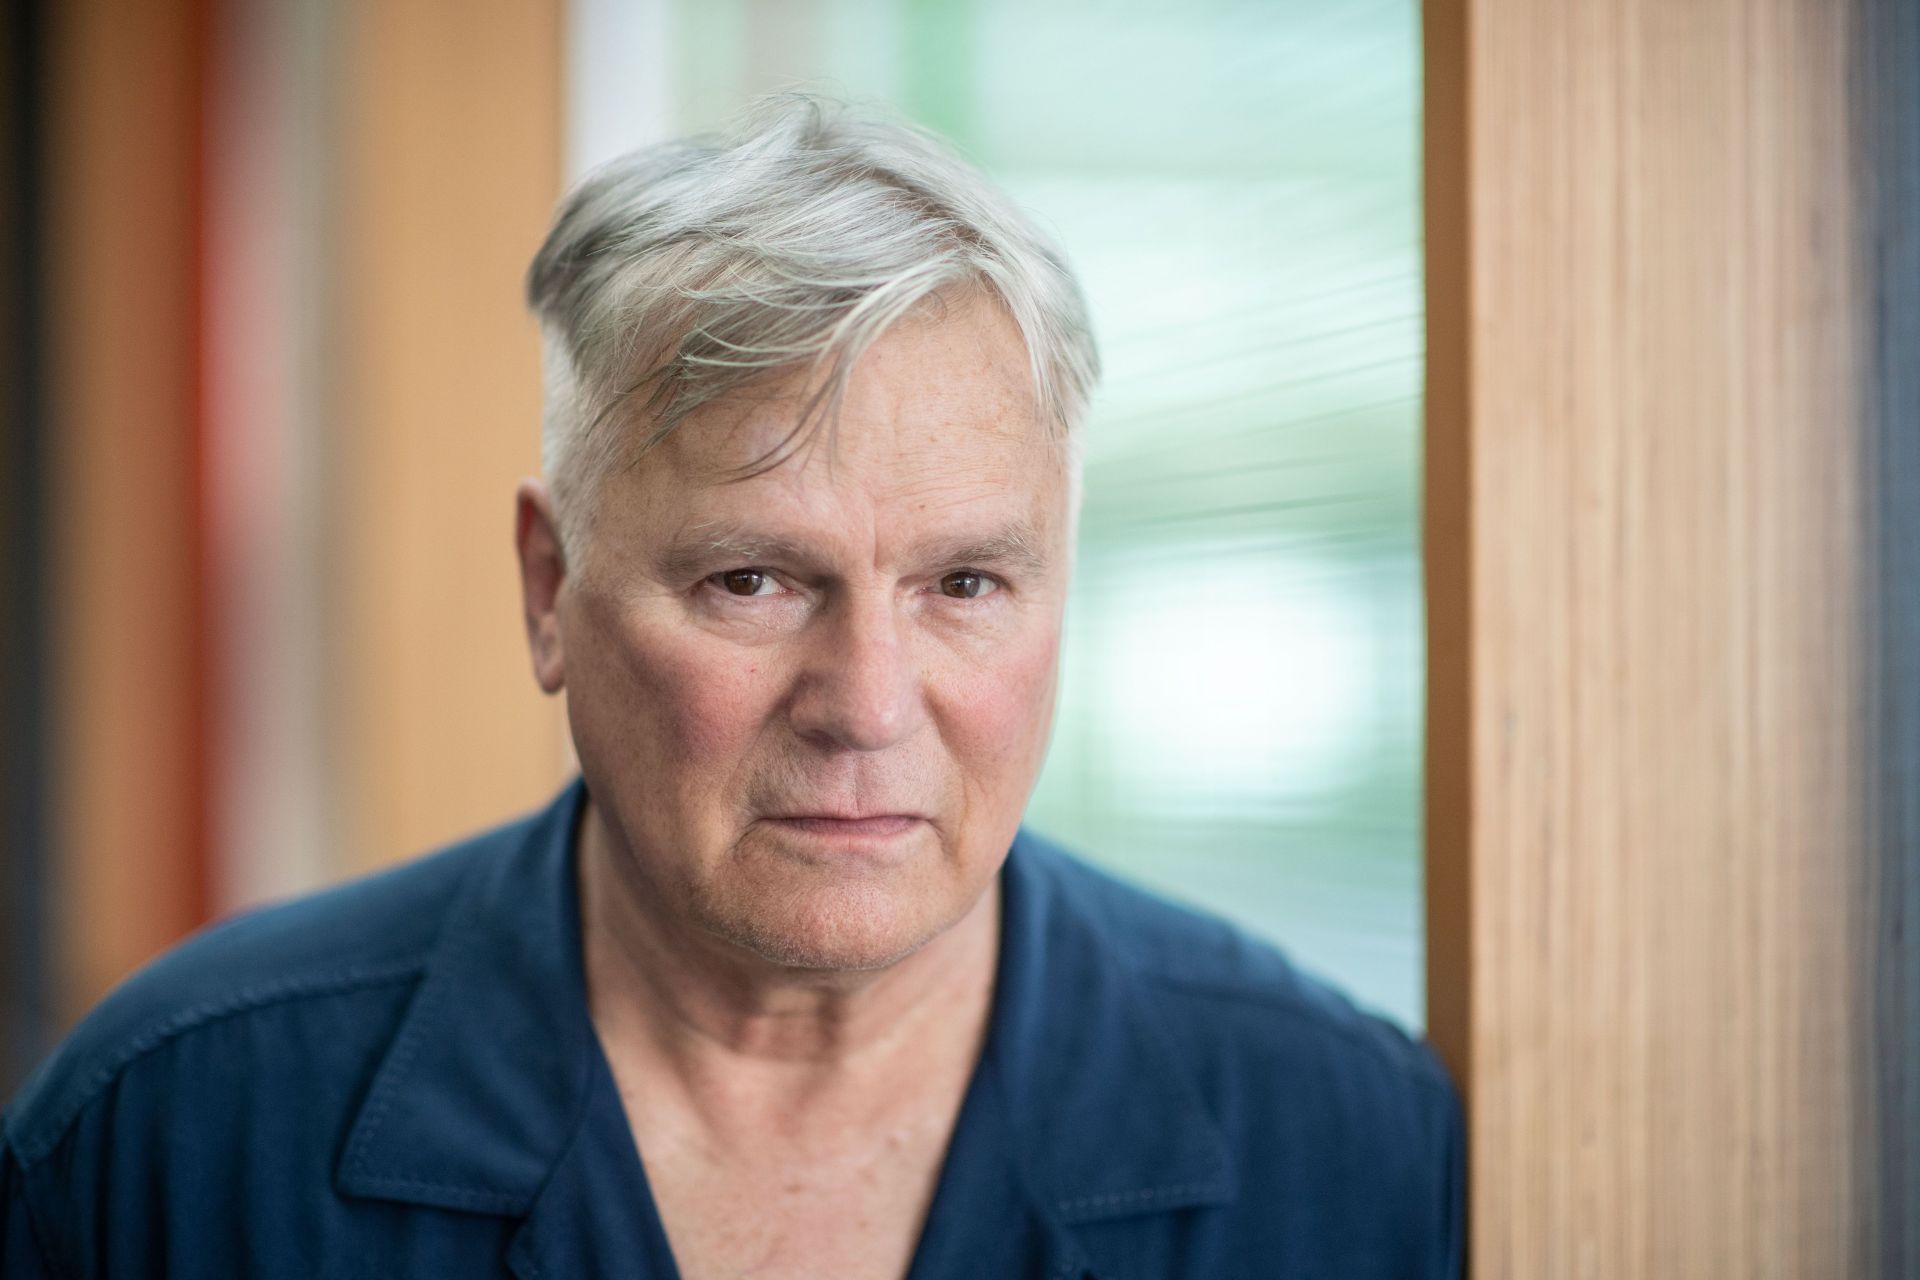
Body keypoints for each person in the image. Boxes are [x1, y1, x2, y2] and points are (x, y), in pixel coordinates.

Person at [1, 95, 1461, 1278]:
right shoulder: (172, 1144)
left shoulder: (1345, 1147)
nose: (869, 704)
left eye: (963, 585)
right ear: (548, 588)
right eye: (753, 582)